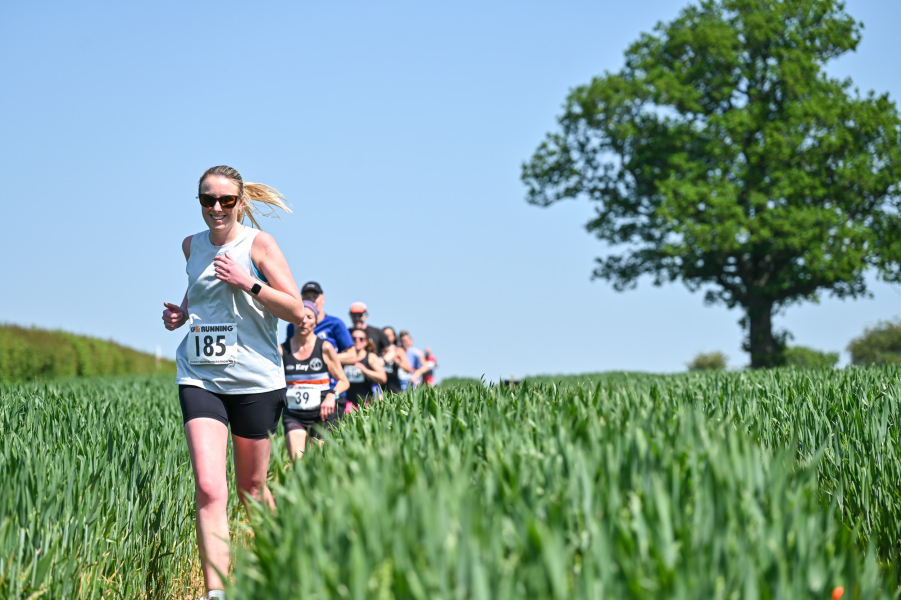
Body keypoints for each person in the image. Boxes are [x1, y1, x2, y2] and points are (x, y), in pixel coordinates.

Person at [162, 165, 305, 600]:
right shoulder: (192, 246)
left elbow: (297, 311)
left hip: (256, 381)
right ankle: (216, 593)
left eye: (226, 200)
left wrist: (250, 283)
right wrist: (182, 314)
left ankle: (282, 571)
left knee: (252, 490)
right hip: (200, 377)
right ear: (200, 202)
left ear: (241, 202)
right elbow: (201, 289)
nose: (217, 208)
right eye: (209, 200)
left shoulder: (259, 245)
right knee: (208, 486)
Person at [281, 300, 349, 459]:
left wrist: (333, 395)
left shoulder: (325, 348)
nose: (304, 321)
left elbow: (344, 381)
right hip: (294, 413)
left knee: (319, 462)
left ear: (316, 321)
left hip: (322, 413)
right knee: (297, 462)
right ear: (292, 319)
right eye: (300, 317)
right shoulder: (282, 350)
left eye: (309, 317)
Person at [285, 281, 355, 364]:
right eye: (307, 297)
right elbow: (288, 353)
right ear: (301, 299)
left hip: (327, 375)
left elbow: (352, 356)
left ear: (323, 299)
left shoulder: (335, 324)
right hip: (301, 374)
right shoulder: (293, 325)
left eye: (315, 296)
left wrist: (320, 358)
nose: (311, 300)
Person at [342, 330, 387, 414]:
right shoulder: (344, 357)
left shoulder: (371, 357)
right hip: (349, 401)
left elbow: (382, 378)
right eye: (353, 338)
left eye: (361, 339)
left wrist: (365, 370)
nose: (357, 341)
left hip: (367, 400)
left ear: (365, 342)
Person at [381, 326, 413, 394]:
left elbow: (408, 369)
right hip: (378, 384)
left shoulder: (398, 350)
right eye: (384, 335)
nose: (386, 337)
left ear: (394, 337)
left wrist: (396, 361)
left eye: (388, 335)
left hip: (393, 384)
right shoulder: (377, 349)